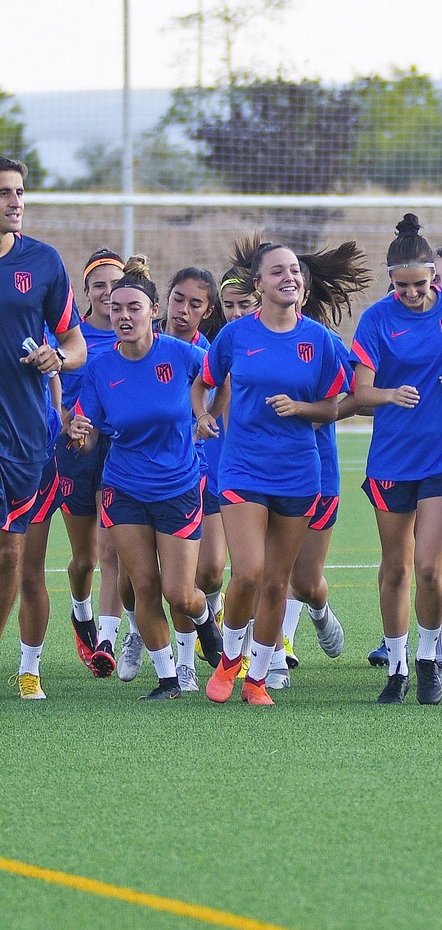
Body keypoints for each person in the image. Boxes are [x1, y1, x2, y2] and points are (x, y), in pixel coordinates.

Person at [195, 241, 348, 707]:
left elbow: (337, 404)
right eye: (278, 271)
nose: (290, 277)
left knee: (278, 582)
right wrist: (201, 415)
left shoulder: (319, 341)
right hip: (242, 468)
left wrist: (303, 408)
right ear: (258, 283)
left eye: (295, 270)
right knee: (248, 573)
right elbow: (203, 381)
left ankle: (258, 678)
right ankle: (229, 660)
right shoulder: (236, 335)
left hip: (300, 472)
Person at [68, 255, 221, 701]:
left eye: (134, 307)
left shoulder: (181, 354)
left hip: (177, 487)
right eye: (116, 309)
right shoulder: (100, 367)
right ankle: (168, 678)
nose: (123, 316)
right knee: (143, 586)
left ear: (152, 311)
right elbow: (90, 435)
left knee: (181, 594)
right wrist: (80, 434)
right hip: (124, 487)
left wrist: (209, 414)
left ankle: (206, 621)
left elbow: (222, 374)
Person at [351, 215, 442, 706]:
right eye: (401, 286)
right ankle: (398, 665)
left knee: (431, 567)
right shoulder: (377, 319)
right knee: (396, 567)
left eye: (421, 285)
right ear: (391, 281)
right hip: (390, 460)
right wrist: (389, 395)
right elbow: (360, 393)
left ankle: (431, 658)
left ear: (434, 276)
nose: (411, 294)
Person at [274, 239, 369, 689]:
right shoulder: (248, 337)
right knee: (265, 570)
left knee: (306, 579)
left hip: (318, 474)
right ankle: (275, 652)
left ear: (305, 294)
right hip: (262, 473)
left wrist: (312, 410)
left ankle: (318, 609)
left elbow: (356, 398)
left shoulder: (325, 344)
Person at [0, 156, 85, 651]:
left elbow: (76, 345)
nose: (15, 202)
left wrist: (58, 358)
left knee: (10, 554)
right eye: (5, 193)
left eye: (19, 192)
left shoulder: (44, 262)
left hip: (27, 433)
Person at [52, 248, 126, 677]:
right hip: (76, 449)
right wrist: (63, 417)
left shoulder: (138, 331)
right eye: (99, 284)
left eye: (115, 284)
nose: (107, 292)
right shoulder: (71, 337)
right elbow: (51, 379)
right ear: (86, 291)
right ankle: (81, 612)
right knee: (86, 558)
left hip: (120, 449)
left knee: (111, 547)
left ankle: (107, 642)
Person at [159, 266, 226, 692]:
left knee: (212, 573)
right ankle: (179, 660)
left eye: (195, 304)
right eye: (178, 299)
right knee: (157, 580)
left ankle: (211, 619)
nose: (183, 310)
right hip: (158, 477)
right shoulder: (141, 347)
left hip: (207, 473)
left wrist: (207, 418)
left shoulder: (211, 355)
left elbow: (223, 394)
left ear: (208, 311)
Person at [13, 374, 63, 698]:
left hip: (32, 460)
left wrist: (55, 419)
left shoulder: (34, 329)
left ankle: (29, 670)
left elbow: (61, 365)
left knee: (29, 572)